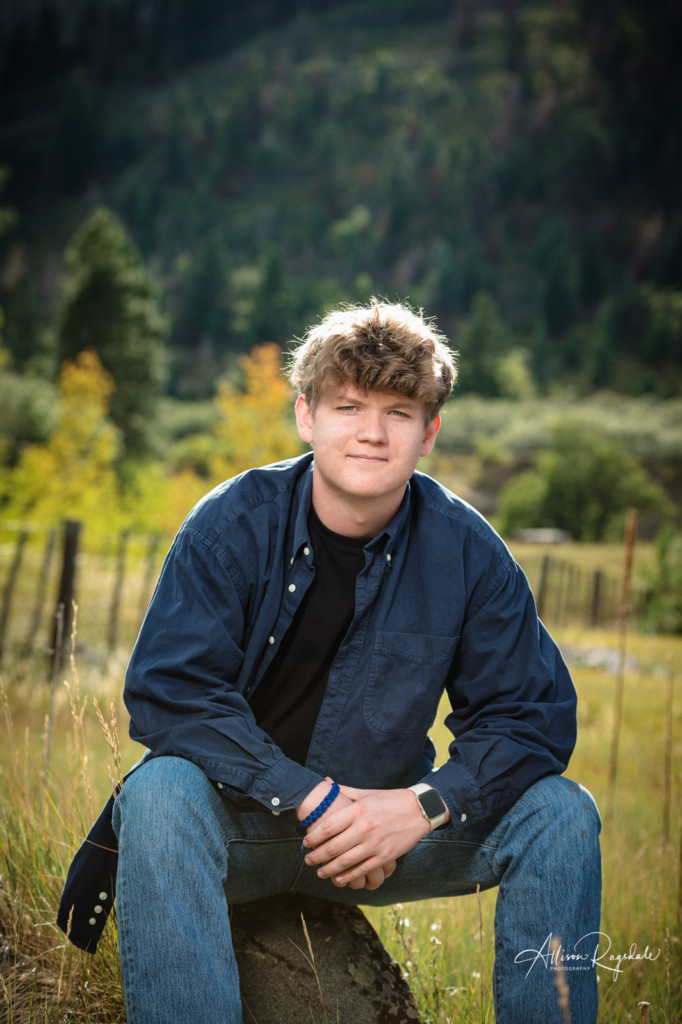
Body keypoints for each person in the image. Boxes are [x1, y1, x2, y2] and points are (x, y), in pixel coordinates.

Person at [58, 298, 602, 1024]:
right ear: (306, 416)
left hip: (388, 837)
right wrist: (310, 797)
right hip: (238, 828)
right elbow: (171, 693)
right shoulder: (231, 523)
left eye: (400, 413)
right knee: (157, 791)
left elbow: (532, 720)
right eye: (348, 407)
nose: (372, 433)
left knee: (562, 813)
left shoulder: (469, 553)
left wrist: (420, 807)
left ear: (429, 431)